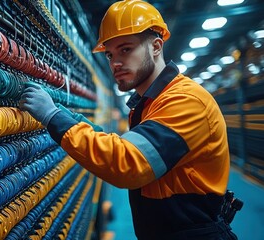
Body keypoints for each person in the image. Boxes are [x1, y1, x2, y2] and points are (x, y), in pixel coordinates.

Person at [19, 0, 238, 239]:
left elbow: (128, 162)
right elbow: (124, 144)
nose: (115, 63)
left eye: (126, 49)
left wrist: (53, 117)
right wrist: (68, 116)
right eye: (110, 55)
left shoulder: (186, 100)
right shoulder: (149, 103)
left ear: (156, 46)